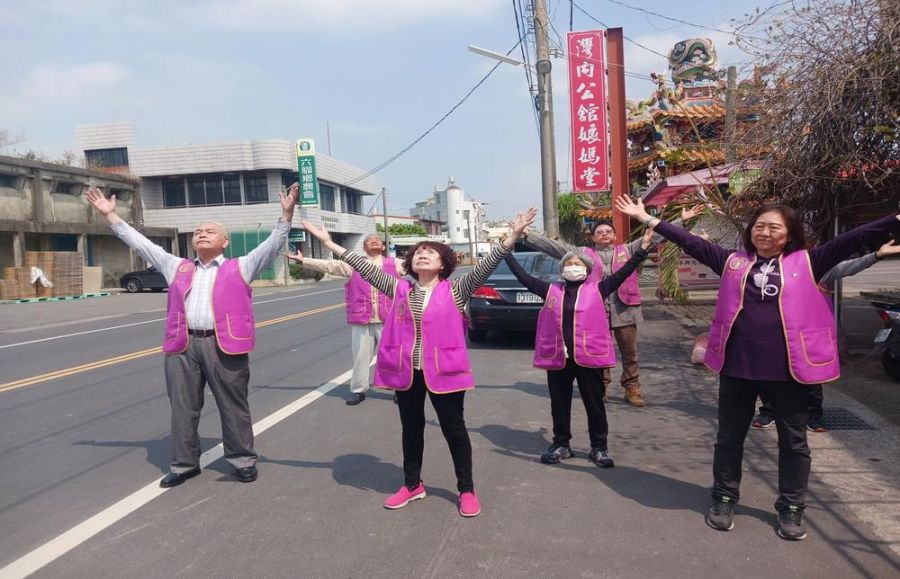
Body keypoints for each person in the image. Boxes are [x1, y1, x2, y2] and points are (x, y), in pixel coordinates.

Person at [615, 194, 900, 541]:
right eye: (759, 226)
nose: (765, 233)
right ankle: (723, 497)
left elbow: (854, 238)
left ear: (789, 233)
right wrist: (648, 219)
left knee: (793, 443)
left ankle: (792, 507)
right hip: (738, 366)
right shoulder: (733, 262)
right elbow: (687, 241)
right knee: (729, 438)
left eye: (774, 227)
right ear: (751, 231)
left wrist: (894, 220)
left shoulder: (810, 261)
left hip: (790, 369)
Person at [301, 208, 537, 518]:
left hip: (445, 371)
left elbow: (487, 264)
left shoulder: (456, 290)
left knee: (455, 430)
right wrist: (330, 243)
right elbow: (361, 266)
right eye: (418, 253)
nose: (422, 256)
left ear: (444, 263)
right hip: (408, 373)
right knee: (410, 430)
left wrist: (514, 236)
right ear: (410, 263)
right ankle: (413, 485)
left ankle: (466, 489)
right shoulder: (399, 289)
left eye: (430, 253)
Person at [85, 184, 299, 488]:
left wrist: (286, 214)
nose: (201, 233)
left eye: (209, 231)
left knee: (233, 406)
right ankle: (185, 464)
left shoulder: (242, 266)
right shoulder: (178, 267)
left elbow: (273, 245)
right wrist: (112, 217)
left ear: (224, 242)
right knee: (183, 407)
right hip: (182, 345)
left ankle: (242, 459)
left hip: (224, 345)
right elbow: (143, 245)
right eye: (197, 231)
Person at [506, 227, 655, 468]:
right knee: (559, 403)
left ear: (587, 270)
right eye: (569, 263)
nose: (573, 266)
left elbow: (625, 271)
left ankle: (599, 447)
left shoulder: (598, 288)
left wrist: (644, 248)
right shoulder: (551, 290)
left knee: (594, 404)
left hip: (589, 358)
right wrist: (506, 250)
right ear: (562, 269)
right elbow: (523, 277)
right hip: (559, 359)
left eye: (578, 264)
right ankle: (561, 444)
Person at [521, 217, 684, 407]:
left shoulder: (629, 249)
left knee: (630, 352)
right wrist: (527, 235)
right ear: (593, 238)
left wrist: (682, 221)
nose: (604, 234)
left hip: (625, 309)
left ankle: (632, 387)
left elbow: (656, 236)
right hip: (594, 313)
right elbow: (555, 247)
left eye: (608, 231)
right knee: (598, 350)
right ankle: (601, 387)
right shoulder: (583, 254)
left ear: (615, 236)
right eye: (599, 232)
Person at [752, 240, 900, 431]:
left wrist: (877, 255)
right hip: (775, 332)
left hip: (808, 334)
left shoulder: (816, 267)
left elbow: (848, 267)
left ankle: (814, 416)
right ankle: (769, 412)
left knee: (812, 377)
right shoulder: (767, 267)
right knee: (769, 374)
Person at [284, 233, 404, 405]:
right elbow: (329, 265)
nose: (374, 241)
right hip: (363, 318)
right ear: (363, 248)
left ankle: (399, 390)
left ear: (384, 247)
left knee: (393, 356)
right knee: (361, 357)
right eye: (369, 240)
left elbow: (416, 266)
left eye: (378, 239)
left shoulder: (396, 264)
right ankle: (358, 391)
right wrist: (304, 260)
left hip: (390, 319)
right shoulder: (353, 265)